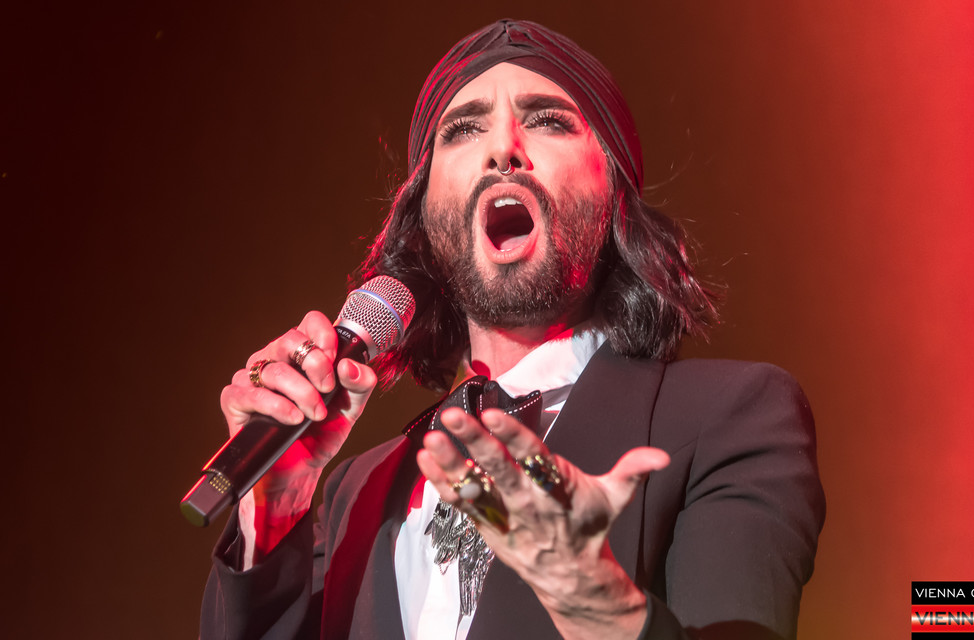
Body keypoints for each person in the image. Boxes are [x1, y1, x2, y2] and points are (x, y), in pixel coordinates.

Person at [200, 19, 825, 640]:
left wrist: (595, 604)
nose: (503, 147)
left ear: (614, 189)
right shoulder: (355, 490)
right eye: (463, 129)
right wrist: (273, 509)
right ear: (425, 210)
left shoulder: (731, 415)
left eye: (548, 120)